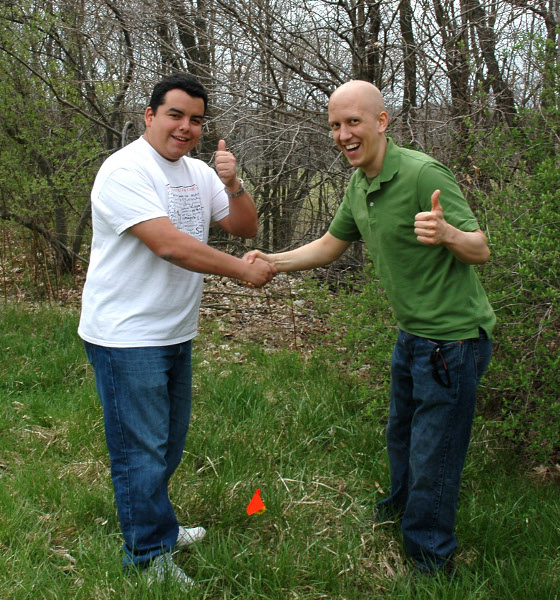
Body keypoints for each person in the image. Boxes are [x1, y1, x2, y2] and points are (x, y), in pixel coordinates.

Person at [244, 80, 495, 576]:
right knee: (401, 435)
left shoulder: (423, 173)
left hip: (454, 341)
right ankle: (403, 515)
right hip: (412, 336)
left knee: (435, 451)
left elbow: (480, 248)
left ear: (381, 122)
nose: (343, 134)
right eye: (335, 125)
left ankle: (429, 560)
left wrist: (446, 234)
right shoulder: (360, 183)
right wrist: (271, 261)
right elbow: (329, 246)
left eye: (353, 122)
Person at [78, 73, 275, 589]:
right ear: (149, 115)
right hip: (126, 335)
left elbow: (244, 227)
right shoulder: (124, 171)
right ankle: (147, 556)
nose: (186, 128)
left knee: (166, 444)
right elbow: (167, 244)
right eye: (175, 115)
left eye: (196, 120)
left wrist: (232, 182)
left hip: (173, 330)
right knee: (139, 449)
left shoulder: (196, 173)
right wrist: (242, 272)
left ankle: (156, 525)